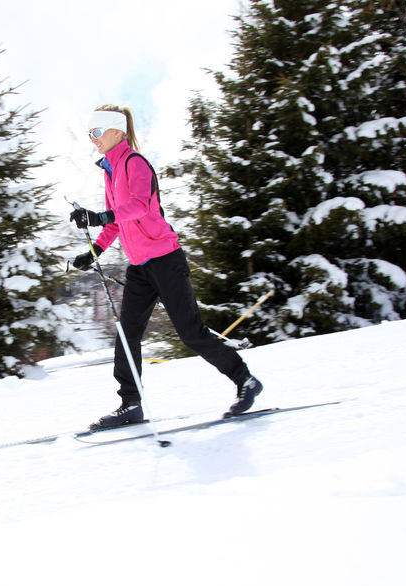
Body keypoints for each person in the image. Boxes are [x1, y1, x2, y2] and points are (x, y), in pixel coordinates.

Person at [69, 104, 262, 430]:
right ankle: (130, 404)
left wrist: (100, 216)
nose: (93, 139)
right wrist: (95, 250)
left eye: (97, 132)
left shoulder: (135, 164)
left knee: (191, 333)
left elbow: (139, 206)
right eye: (90, 134)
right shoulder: (109, 172)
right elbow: (118, 222)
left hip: (166, 260)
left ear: (117, 131)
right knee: (127, 334)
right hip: (140, 267)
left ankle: (246, 381)